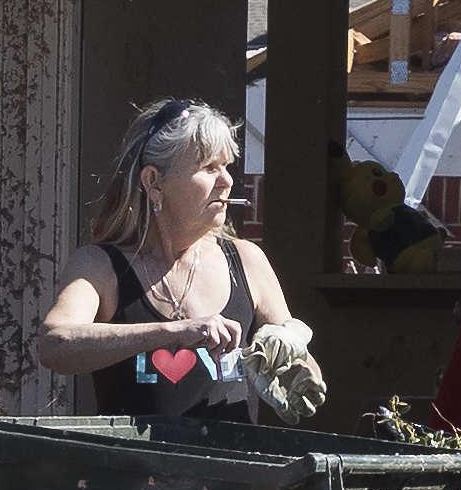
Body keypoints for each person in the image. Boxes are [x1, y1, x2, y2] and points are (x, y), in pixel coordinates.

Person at [36, 97, 303, 431]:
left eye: (226, 166)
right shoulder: (100, 265)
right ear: (154, 182)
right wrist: (172, 332)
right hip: (134, 476)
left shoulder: (247, 259)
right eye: (209, 168)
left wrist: (289, 356)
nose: (227, 181)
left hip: (235, 477)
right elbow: (54, 344)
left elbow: (305, 375)